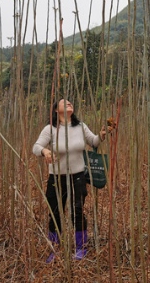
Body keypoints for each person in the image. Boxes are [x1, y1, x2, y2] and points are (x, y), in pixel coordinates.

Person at [33, 99, 108, 262]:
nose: (68, 103)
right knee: (54, 212)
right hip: (56, 177)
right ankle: (54, 248)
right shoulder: (50, 129)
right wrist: (45, 151)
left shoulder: (80, 126)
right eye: (63, 102)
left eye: (70, 102)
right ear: (55, 110)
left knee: (78, 211)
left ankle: (81, 248)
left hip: (78, 176)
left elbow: (93, 141)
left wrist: (101, 136)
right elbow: (36, 146)